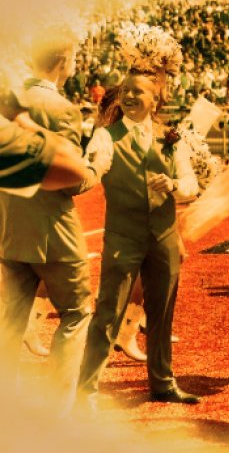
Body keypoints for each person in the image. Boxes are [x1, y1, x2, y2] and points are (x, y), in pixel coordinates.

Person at [77, 68, 201, 409]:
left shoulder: (171, 138)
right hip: (123, 236)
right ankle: (87, 391)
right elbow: (94, 170)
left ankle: (163, 382)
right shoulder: (105, 137)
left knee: (162, 314)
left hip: (163, 236)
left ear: (156, 99)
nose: (129, 96)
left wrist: (174, 185)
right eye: (125, 91)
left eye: (138, 91)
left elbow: (191, 186)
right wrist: (80, 177)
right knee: (108, 312)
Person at [0, 32, 104, 415]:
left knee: (9, 325)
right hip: (54, 233)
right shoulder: (60, 108)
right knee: (76, 314)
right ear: (65, 59)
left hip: (11, 229)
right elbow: (69, 180)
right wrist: (96, 168)